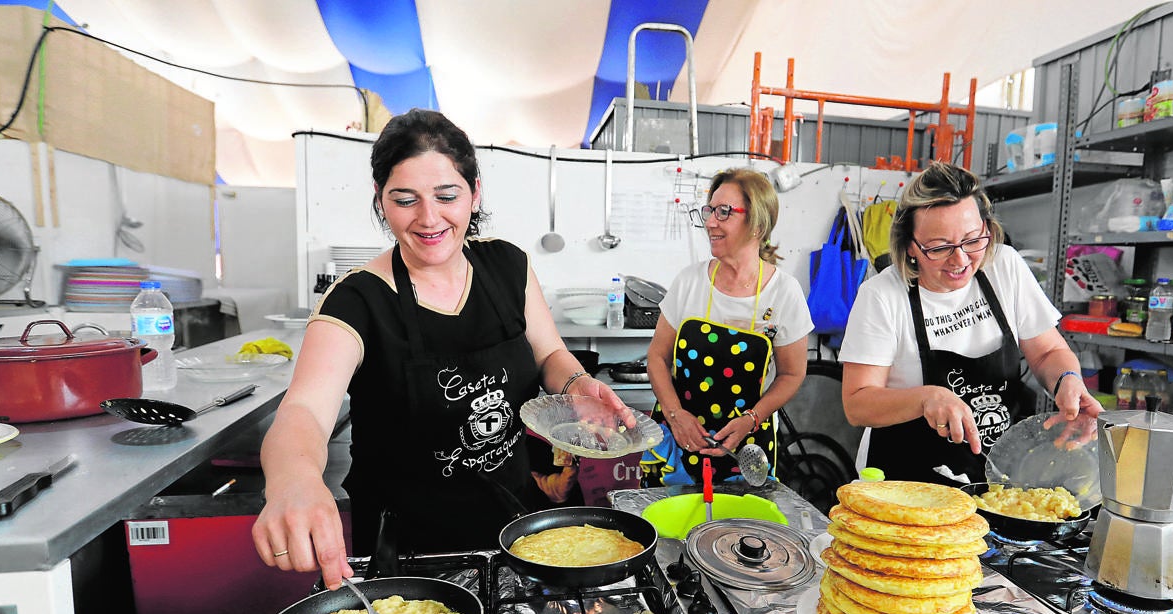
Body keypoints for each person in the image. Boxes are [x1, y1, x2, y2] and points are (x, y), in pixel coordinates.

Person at [252, 109, 630, 589]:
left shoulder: (508, 266)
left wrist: (577, 384)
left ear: (475, 192)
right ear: (380, 199)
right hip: (410, 556)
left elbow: (548, 354)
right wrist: (294, 480)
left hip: (516, 530)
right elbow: (304, 410)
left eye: (447, 196)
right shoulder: (356, 301)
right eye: (404, 200)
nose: (429, 218)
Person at [839, 161, 1102, 486]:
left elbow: (1048, 351)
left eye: (973, 240)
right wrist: (926, 398)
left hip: (994, 472)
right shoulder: (882, 295)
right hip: (904, 480)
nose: (960, 259)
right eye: (940, 247)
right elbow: (858, 403)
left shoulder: (1004, 267)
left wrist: (1068, 381)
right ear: (909, 245)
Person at [642, 168, 813, 486]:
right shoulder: (690, 282)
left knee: (741, 517)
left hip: (747, 447)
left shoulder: (784, 292)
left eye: (724, 212)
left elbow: (792, 374)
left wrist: (752, 419)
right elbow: (657, 357)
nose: (710, 222)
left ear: (758, 224)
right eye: (709, 211)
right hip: (681, 439)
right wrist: (676, 415)